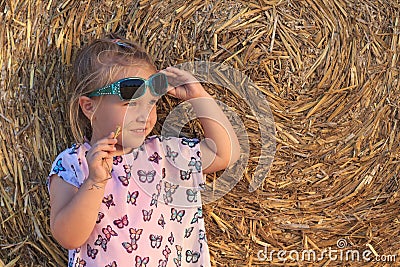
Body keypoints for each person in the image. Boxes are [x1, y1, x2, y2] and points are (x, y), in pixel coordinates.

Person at [48, 33, 240, 267]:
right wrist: (95, 182)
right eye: (131, 103)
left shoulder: (164, 154)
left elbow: (224, 154)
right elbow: (69, 237)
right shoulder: (74, 163)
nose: (145, 115)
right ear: (90, 107)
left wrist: (199, 97)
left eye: (151, 102)